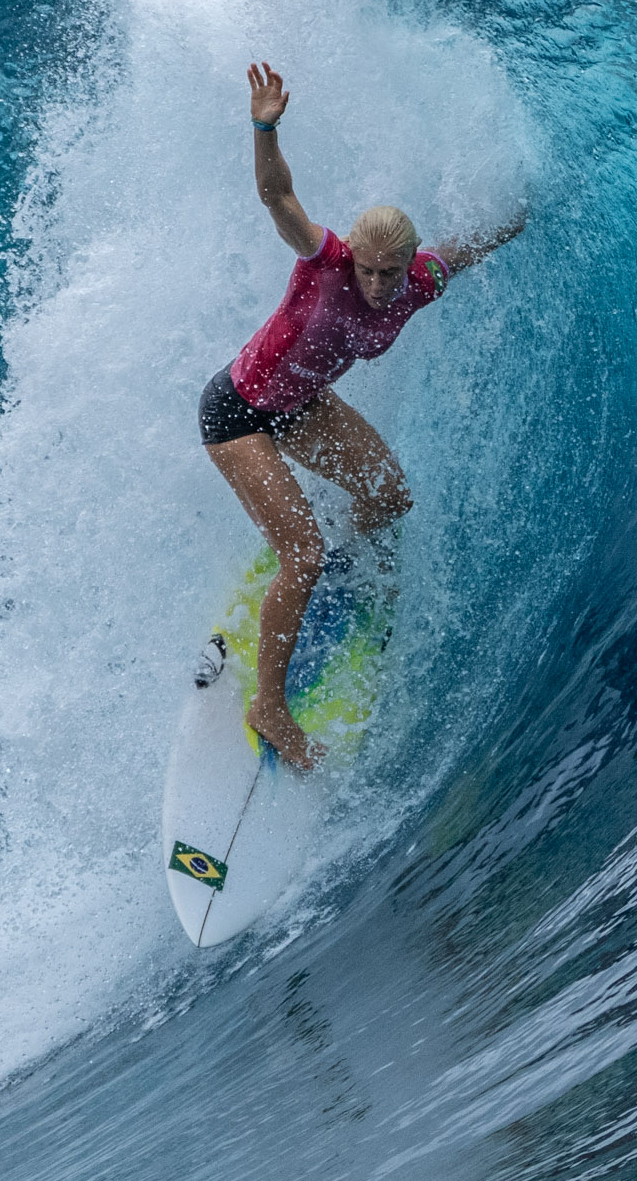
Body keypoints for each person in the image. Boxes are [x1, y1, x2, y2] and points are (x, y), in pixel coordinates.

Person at [199, 61, 526, 770]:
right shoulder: (324, 261)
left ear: (409, 266)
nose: (375, 285)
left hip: (303, 406)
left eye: (389, 272)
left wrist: (515, 219)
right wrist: (265, 126)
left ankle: (317, 568)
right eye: (367, 271)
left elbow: (463, 251)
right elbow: (277, 195)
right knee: (303, 552)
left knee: (389, 496)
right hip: (241, 413)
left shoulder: (419, 284)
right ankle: (270, 704)